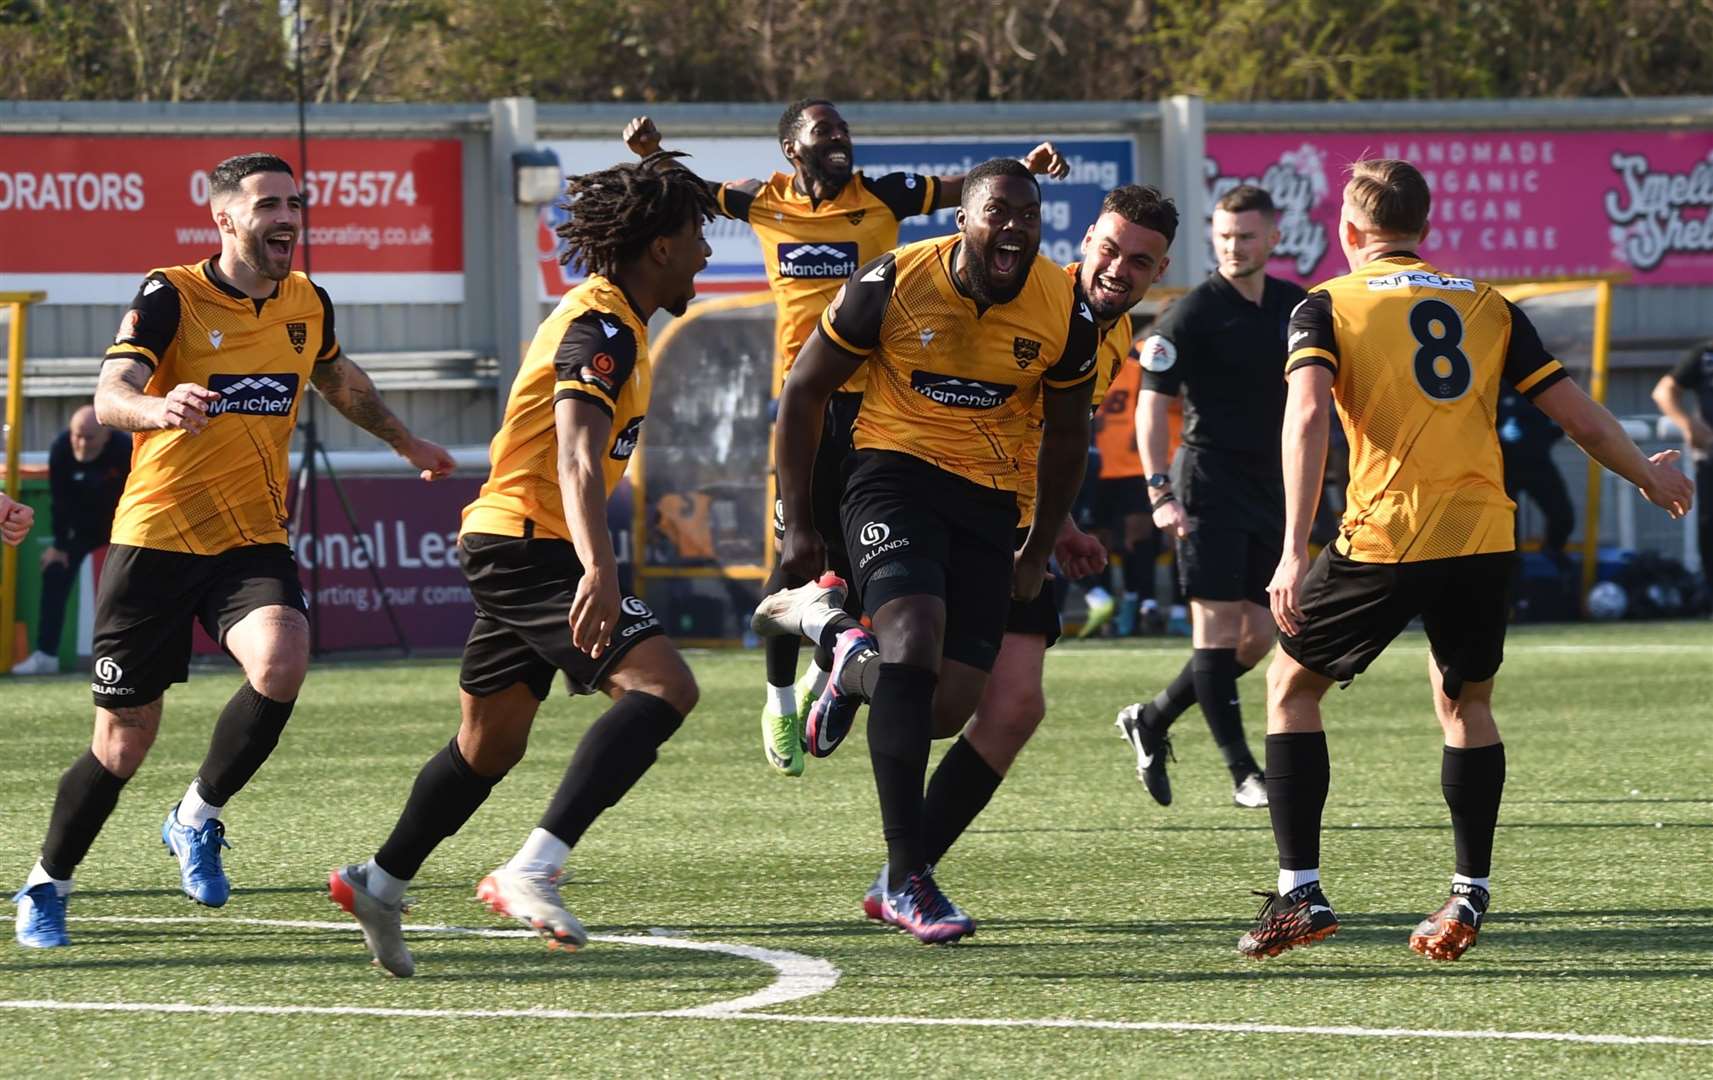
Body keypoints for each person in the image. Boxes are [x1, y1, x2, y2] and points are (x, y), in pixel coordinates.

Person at [1247, 158, 1692, 962]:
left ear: (1347, 232)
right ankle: (1467, 896)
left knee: (1289, 687)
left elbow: (1306, 416)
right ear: (1426, 229)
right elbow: (1579, 419)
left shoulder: (1325, 306)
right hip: (1485, 533)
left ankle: (1298, 893)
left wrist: (1290, 548)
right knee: (1465, 706)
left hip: (1389, 530)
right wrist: (1649, 475)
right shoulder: (1486, 304)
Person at [11, 152, 455, 950]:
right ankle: (49, 882)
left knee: (282, 657)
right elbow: (110, 396)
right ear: (223, 218)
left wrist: (405, 439)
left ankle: (196, 816)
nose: (288, 217)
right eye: (268, 205)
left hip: (251, 536)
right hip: (153, 539)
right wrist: (155, 404)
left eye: (294, 203)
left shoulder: (306, 300)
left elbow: (337, 379)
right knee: (122, 741)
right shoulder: (169, 293)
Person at [328, 152, 715, 977]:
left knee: (488, 741)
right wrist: (599, 569)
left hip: (511, 538)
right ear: (657, 249)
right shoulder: (601, 326)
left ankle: (380, 882)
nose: (706, 255)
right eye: (694, 238)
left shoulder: (622, 322)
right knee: (663, 687)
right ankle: (532, 869)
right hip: (528, 543)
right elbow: (576, 458)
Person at [624, 103, 1067, 777]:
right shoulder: (764, 202)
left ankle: (832, 675)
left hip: (879, 406)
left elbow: (963, 194)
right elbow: (695, 194)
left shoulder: (883, 197)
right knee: (796, 552)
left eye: (844, 132)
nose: (839, 141)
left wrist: (1024, 168)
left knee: (871, 568)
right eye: (823, 132)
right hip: (807, 402)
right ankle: (779, 697)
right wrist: (654, 154)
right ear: (789, 148)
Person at [771, 159, 1100, 944]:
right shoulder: (890, 283)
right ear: (964, 219)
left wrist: (1038, 543)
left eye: (1028, 213)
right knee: (913, 645)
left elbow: (1064, 437)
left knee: (946, 708)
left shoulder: (1065, 311)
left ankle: (844, 658)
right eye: (998, 211)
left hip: (988, 505)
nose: (1015, 226)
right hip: (891, 478)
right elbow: (803, 391)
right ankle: (904, 876)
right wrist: (797, 524)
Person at [1115, 185, 1304, 810]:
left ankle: (1153, 717)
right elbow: (1152, 407)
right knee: (1217, 633)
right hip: (1206, 483)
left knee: (1255, 638)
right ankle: (1244, 773)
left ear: (1273, 238)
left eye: (1246, 236)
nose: (1232, 246)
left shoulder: (1296, 307)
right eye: (1223, 235)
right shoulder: (1191, 314)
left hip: (1272, 486)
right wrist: (1158, 490)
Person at [11, 406, 131, 676]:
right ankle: (46, 654)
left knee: (131, 582)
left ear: (106, 436)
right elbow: (59, 501)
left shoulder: (125, 449)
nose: (81, 443)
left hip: (124, 525)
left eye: (89, 437)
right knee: (55, 570)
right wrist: (59, 545)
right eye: (77, 435)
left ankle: (131, 654)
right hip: (81, 530)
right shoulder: (61, 449)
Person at [1080, 338, 1162, 638]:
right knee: (1096, 539)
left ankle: (1140, 603)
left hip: (1130, 465)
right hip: (1095, 467)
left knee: (1135, 539)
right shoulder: (1083, 362)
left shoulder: (1136, 367)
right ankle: (1107, 608)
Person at [1651, 338, 1713, 604]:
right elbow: (1664, 390)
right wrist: (1688, 424)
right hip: (1711, 456)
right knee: (1709, 526)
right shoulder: (1706, 354)